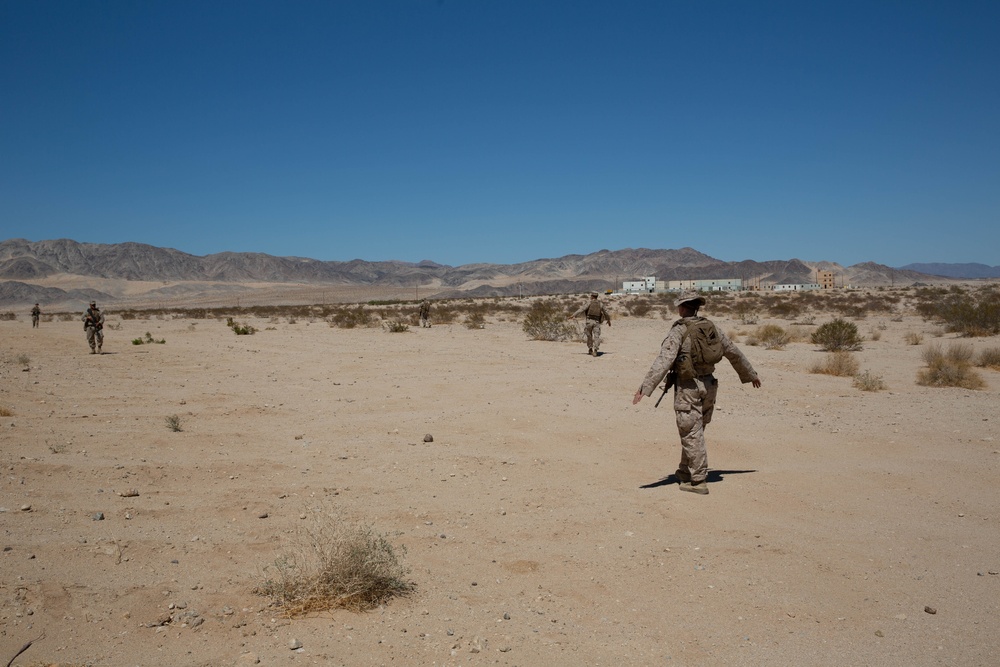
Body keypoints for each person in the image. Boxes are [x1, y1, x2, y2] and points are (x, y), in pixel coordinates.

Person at [632, 290, 761, 495]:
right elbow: (733, 352)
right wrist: (750, 374)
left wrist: (644, 388)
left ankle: (698, 480)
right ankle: (684, 471)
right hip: (710, 385)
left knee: (691, 431)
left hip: (688, 388)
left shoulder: (679, 330)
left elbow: (664, 361)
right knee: (694, 431)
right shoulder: (711, 327)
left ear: (683, 307)